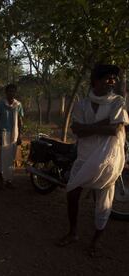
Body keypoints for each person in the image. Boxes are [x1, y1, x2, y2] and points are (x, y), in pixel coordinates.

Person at [57, 64, 129, 256]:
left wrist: (87, 128)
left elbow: (114, 130)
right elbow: (76, 130)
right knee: (72, 192)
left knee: (103, 203)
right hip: (85, 156)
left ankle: (96, 241)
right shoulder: (82, 104)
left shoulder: (118, 102)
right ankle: (73, 233)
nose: (112, 82)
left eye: (114, 78)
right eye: (108, 78)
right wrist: (104, 125)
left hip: (108, 159)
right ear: (95, 80)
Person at [0, 84, 24, 191]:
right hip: (3, 133)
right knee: (2, 158)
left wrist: (20, 135)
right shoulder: (1, 104)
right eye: (9, 91)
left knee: (11, 158)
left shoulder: (18, 105)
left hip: (14, 134)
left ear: (15, 93)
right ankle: (1, 182)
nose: (11, 93)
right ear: (6, 92)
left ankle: (9, 181)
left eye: (13, 91)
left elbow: (20, 121)